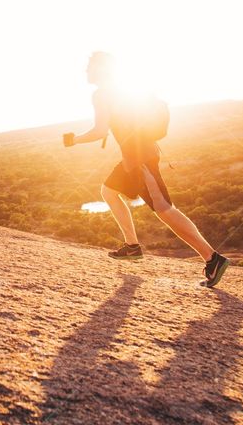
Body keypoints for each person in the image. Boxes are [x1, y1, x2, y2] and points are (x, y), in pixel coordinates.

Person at [63, 51, 230, 288]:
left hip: (139, 158)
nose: (86, 71)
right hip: (135, 157)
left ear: (100, 69)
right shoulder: (119, 88)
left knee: (164, 209)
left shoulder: (102, 94)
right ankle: (132, 246)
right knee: (108, 192)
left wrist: (74, 140)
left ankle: (212, 258)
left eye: (89, 66)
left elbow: (100, 131)